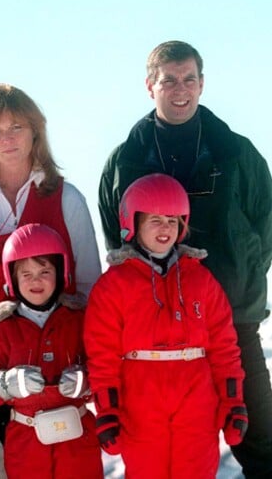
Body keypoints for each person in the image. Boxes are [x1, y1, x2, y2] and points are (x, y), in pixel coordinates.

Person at [98, 41, 272, 478]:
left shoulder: (237, 153)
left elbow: (269, 228)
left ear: (202, 83)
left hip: (229, 321)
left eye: (189, 79)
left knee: (261, 439)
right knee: (161, 455)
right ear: (149, 86)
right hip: (153, 342)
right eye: (169, 80)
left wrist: (236, 279)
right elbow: (116, 234)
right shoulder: (125, 161)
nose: (181, 90)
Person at [0, 83, 102, 478]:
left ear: (35, 132)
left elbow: (93, 287)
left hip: (57, 375)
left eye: (17, 127)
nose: (7, 139)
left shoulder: (66, 198)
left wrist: (91, 366)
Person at [85, 173, 248, 478]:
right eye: (155, 220)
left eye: (173, 221)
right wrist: (107, 410)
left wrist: (232, 400)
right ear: (133, 223)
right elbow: (102, 355)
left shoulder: (200, 279)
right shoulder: (114, 285)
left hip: (196, 396)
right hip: (141, 398)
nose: (166, 229)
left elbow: (225, 347)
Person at [0, 223, 103, 479]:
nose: (36, 281)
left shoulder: (80, 320)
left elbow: (104, 363)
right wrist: (7, 383)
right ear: (12, 278)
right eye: (26, 274)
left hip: (78, 440)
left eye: (45, 271)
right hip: (26, 443)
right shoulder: (1, 330)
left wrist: (86, 381)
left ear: (61, 273)